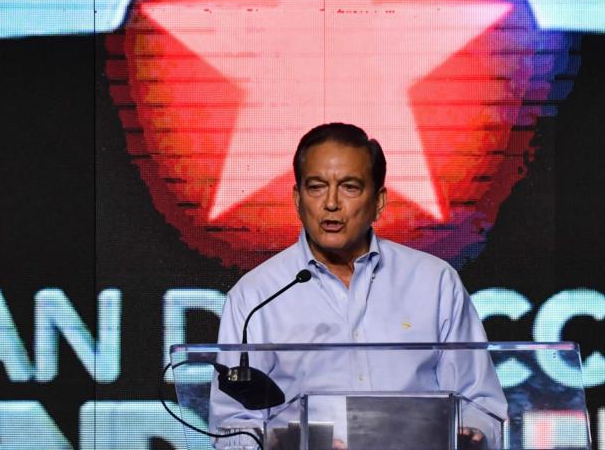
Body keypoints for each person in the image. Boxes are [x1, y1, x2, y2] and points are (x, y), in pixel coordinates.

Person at [210, 123, 507, 449]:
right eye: (316, 187)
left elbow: (482, 404)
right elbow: (233, 425)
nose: (331, 203)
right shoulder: (255, 296)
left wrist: (472, 433)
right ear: (297, 199)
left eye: (350, 187)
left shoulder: (434, 282)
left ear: (379, 201)